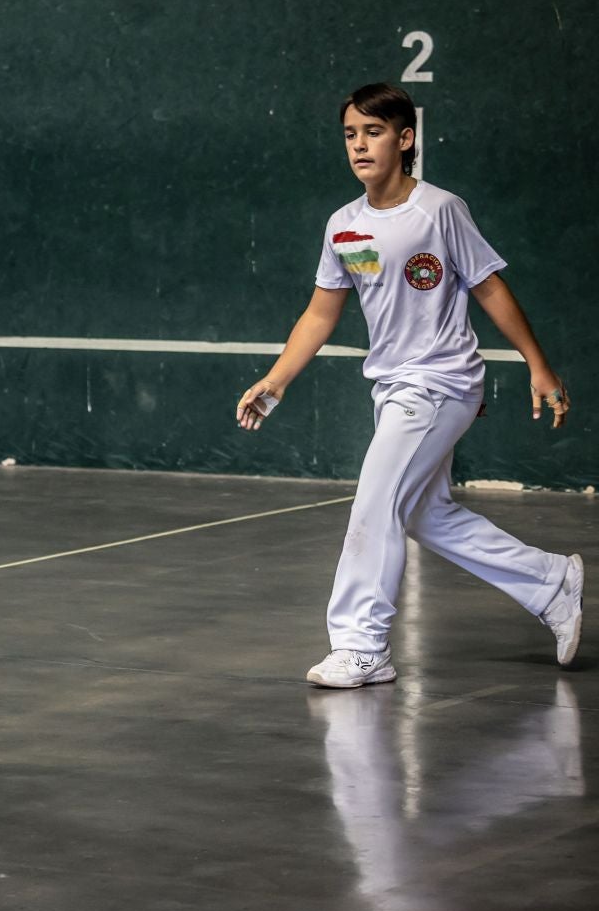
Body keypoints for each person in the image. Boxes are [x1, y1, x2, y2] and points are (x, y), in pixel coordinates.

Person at [235, 83, 582, 686]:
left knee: (376, 501)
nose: (360, 145)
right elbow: (320, 313)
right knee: (424, 514)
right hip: (393, 389)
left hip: (441, 383)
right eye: (350, 134)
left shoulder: (439, 210)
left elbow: (490, 287)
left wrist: (537, 364)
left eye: (373, 132)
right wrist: (277, 379)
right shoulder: (343, 225)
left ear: (405, 138)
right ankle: (552, 581)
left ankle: (363, 645)